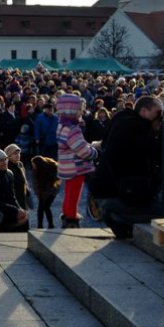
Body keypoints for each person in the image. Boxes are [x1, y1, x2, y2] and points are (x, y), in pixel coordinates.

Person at [87, 96, 163, 238]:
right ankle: (119, 218)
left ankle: (120, 221)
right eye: (157, 113)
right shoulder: (136, 127)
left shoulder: (121, 121)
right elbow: (155, 154)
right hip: (117, 193)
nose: (160, 117)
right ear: (144, 111)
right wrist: (160, 132)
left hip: (105, 191)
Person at [55, 94, 99, 228]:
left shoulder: (62, 125)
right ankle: (71, 217)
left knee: (69, 192)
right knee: (74, 193)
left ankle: (67, 212)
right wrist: (95, 151)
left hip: (66, 165)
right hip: (76, 167)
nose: (82, 112)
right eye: (79, 109)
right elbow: (83, 151)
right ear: (71, 110)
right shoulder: (72, 129)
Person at [0, 146, 29, 231]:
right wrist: (15, 210)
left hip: (8, 208)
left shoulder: (9, 174)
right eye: (0, 161)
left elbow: (11, 196)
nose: (4, 162)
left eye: (5, 159)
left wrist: (19, 209)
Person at [31, 156, 60, 229]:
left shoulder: (51, 169)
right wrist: (39, 194)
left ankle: (50, 225)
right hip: (41, 191)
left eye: (34, 164)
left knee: (46, 207)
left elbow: (55, 183)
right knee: (41, 208)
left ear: (39, 164)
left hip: (51, 192)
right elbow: (35, 184)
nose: (33, 166)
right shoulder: (36, 171)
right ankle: (41, 225)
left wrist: (46, 194)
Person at [5, 143, 31, 215]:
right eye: (15, 153)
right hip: (14, 198)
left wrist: (27, 190)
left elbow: (24, 178)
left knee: (25, 216)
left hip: (23, 195)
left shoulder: (20, 164)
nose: (18, 155)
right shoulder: (7, 167)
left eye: (18, 153)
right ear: (9, 155)